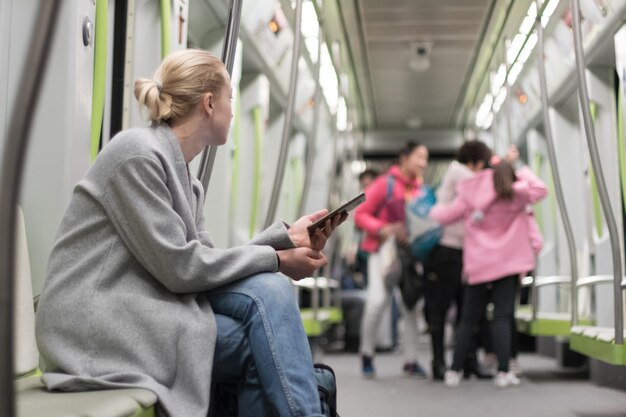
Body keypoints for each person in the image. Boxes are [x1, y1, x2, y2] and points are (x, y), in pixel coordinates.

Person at [35, 49, 343, 417]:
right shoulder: (137, 155)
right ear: (210, 103)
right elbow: (182, 270)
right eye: (230, 98)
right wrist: (277, 259)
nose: (233, 108)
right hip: (94, 327)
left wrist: (286, 240)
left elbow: (206, 268)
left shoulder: (186, 180)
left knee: (269, 293)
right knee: (260, 338)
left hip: (144, 310)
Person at [430, 158, 547, 388]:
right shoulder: (519, 195)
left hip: (479, 263)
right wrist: (521, 168)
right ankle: (503, 372)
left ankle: (454, 370)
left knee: (468, 318)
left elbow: (443, 216)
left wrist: (433, 206)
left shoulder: (472, 195)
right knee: (503, 317)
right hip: (508, 264)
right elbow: (541, 189)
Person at [354, 142, 429, 378]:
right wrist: (382, 227)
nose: (423, 163)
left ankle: (411, 360)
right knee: (377, 301)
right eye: (419, 157)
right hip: (383, 252)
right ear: (404, 157)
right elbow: (360, 215)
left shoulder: (421, 190)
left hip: (409, 254)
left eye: (425, 158)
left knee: (411, 306)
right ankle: (366, 353)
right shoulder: (384, 184)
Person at [425, 139, 492, 381]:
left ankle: (462, 361)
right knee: (447, 308)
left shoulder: (460, 174)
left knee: (464, 308)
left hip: (462, 250)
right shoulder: (460, 172)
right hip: (450, 250)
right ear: (476, 161)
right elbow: (481, 194)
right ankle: (444, 362)